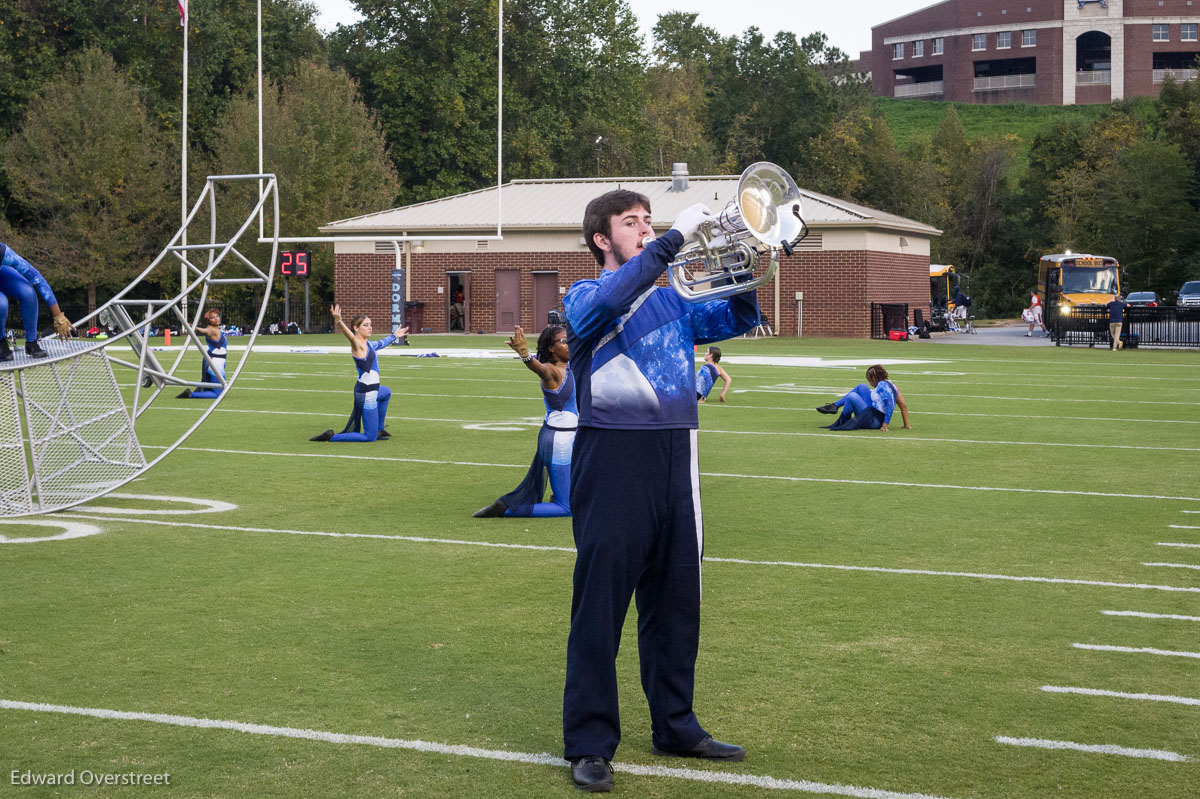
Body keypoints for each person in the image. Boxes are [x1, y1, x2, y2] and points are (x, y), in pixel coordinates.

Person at [561, 189, 757, 792]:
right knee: (602, 604)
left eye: (649, 221)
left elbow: (737, 319)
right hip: (614, 452)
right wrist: (672, 242)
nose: (645, 229)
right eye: (631, 223)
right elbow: (613, 300)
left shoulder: (675, 299)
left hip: (678, 452)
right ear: (602, 238)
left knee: (676, 602)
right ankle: (590, 742)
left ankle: (675, 724)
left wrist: (750, 262)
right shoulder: (584, 295)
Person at [473, 324, 576, 518]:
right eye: (564, 341)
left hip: (570, 438)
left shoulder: (571, 366)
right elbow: (540, 369)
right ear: (551, 348)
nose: (570, 344)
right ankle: (508, 508)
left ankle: (560, 494)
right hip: (559, 441)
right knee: (567, 508)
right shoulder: (553, 372)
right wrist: (525, 355)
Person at [310, 305, 407, 442]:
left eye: (370, 325)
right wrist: (339, 321)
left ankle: (379, 429)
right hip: (367, 394)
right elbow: (351, 338)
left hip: (372, 389)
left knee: (386, 392)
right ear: (356, 328)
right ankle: (331, 437)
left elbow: (381, 343)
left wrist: (394, 336)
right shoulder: (358, 346)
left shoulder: (369, 344)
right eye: (366, 325)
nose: (370, 327)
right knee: (369, 437)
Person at [0, 242, 72, 361]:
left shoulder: (4, 253)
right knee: (1, 304)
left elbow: (38, 279)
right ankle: (1, 343)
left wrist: (58, 317)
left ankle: (31, 342)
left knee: (28, 292)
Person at [816, 364, 911, 432]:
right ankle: (835, 406)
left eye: (870, 380)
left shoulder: (882, 386)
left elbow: (889, 405)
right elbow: (903, 406)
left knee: (852, 397)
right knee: (862, 386)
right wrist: (906, 425)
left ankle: (843, 420)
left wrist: (885, 426)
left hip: (875, 421)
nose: (870, 383)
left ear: (875, 378)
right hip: (873, 412)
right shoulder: (892, 385)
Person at [176, 309, 228, 399]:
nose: (216, 318)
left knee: (221, 388)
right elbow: (203, 330)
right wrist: (192, 327)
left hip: (218, 363)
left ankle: (198, 392)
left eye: (217, 316)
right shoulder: (211, 330)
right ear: (208, 321)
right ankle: (190, 395)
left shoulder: (216, 329)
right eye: (212, 317)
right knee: (218, 394)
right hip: (215, 364)